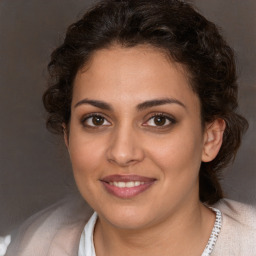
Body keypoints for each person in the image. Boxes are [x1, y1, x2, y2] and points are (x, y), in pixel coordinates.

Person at [6, 0, 256, 255]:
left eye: (159, 120)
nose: (122, 153)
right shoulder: (26, 246)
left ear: (210, 138)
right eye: (97, 120)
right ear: (68, 136)